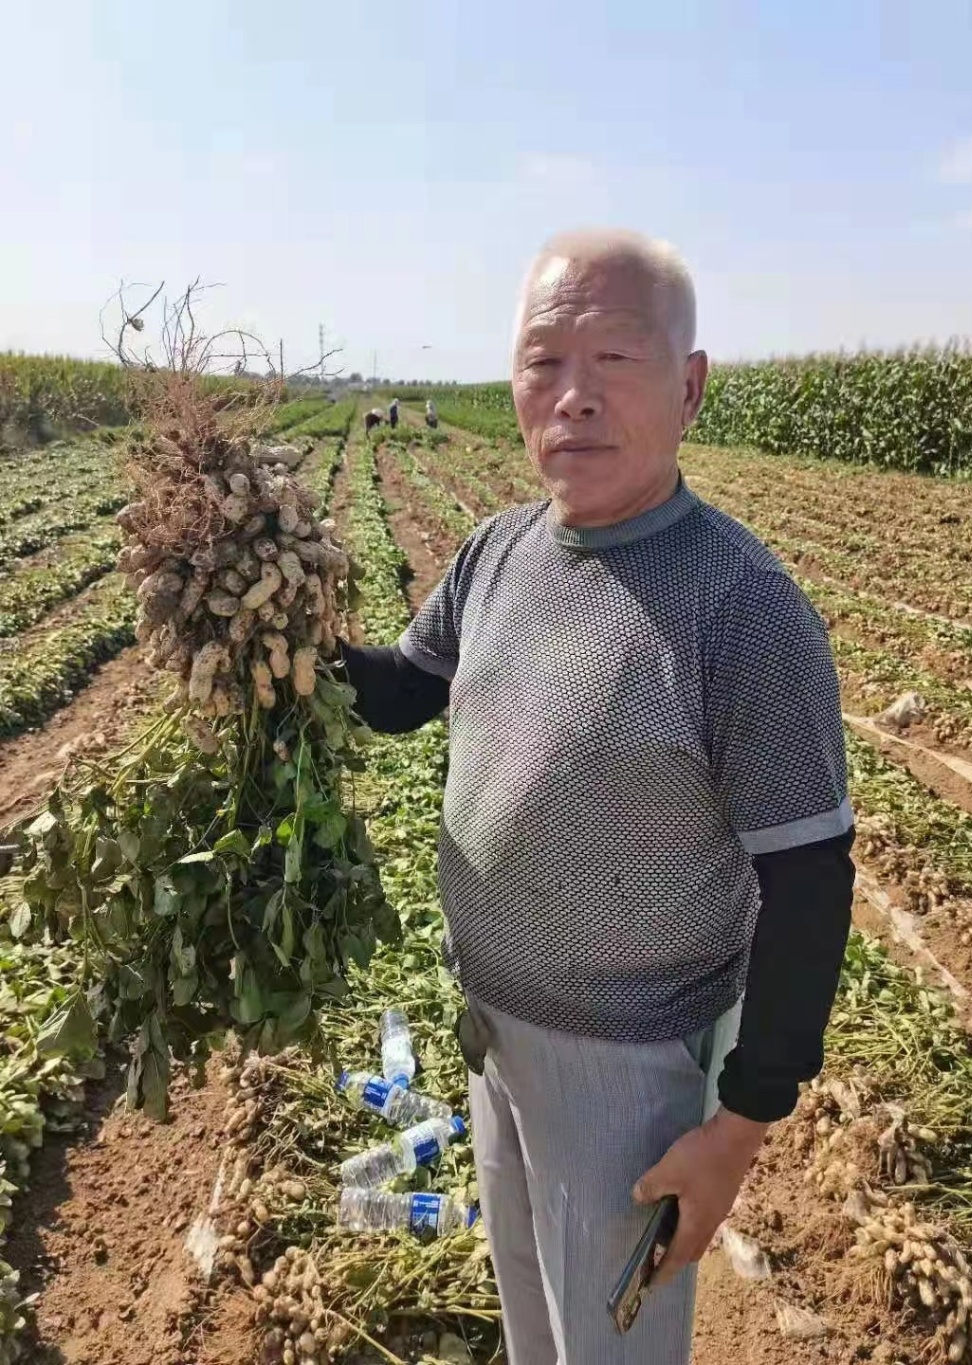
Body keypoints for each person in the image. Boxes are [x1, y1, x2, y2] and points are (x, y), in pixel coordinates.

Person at [340, 228, 854, 1365]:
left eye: (613, 362)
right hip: (490, 1033)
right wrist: (285, 651)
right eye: (541, 363)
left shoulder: (740, 609)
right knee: (535, 1322)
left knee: (608, 1346)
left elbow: (808, 885)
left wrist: (738, 1128)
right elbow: (402, 693)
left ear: (690, 386)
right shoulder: (496, 551)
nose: (571, 398)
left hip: (628, 1072)